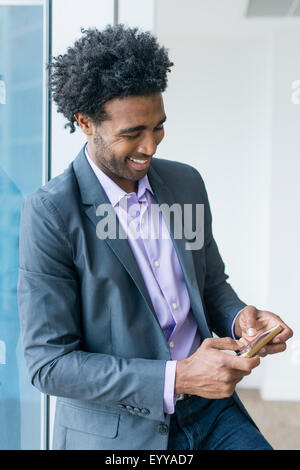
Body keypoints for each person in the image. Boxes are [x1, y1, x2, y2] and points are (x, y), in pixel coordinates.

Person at [17, 25, 293, 451]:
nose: (150, 146)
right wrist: (178, 375)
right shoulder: (51, 212)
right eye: (132, 133)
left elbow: (211, 286)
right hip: (119, 432)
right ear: (85, 122)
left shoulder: (185, 183)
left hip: (210, 410)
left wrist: (241, 319)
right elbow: (49, 364)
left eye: (158, 127)